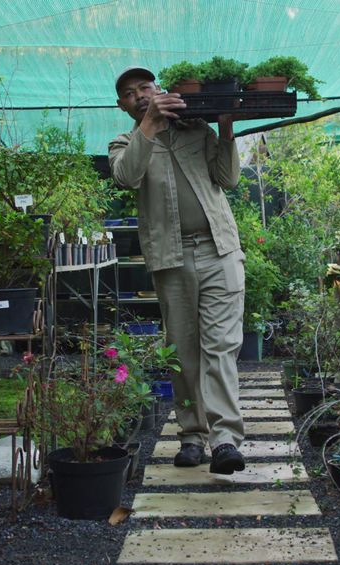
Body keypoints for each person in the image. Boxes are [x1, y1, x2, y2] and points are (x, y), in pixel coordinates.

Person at [108, 66, 246, 474]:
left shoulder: (195, 129)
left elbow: (229, 178)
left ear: (160, 89)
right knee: (183, 350)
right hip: (171, 256)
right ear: (123, 106)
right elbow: (126, 176)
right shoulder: (125, 142)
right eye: (130, 93)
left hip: (219, 250)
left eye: (145, 87)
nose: (140, 95)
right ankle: (191, 435)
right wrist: (149, 125)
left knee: (220, 346)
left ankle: (225, 440)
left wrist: (225, 128)